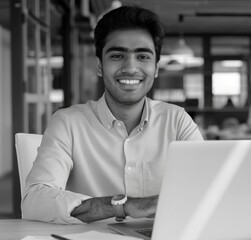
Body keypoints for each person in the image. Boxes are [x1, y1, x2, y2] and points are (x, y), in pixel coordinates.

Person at [21, 6, 203, 224]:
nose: (130, 67)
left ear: (155, 68)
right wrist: (122, 206)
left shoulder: (177, 121)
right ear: (99, 65)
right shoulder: (68, 122)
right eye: (117, 55)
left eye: (143, 56)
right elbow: (35, 200)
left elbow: (206, 189)